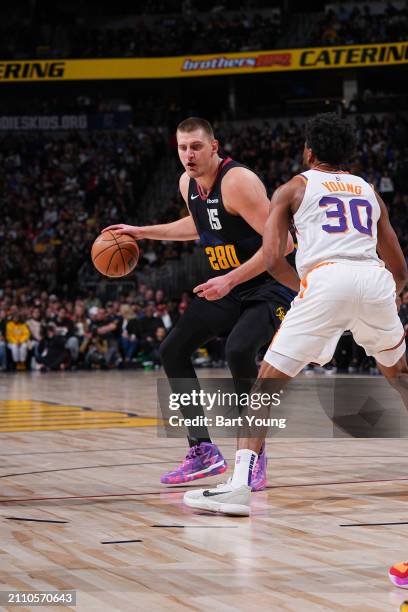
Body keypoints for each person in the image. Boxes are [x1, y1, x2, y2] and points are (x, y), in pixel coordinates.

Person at [183, 112, 408, 515]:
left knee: (265, 386)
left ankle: (238, 486)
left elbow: (272, 259)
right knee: (402, 376)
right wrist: (392, 295)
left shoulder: (292, 189)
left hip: (324, 279)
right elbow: (400, 267)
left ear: (308, 151)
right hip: (374, 279)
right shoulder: (368, 191)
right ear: (349, 153)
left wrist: (304, 286)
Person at [103, 116, 294, 491]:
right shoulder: (187, 183)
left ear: (214, 147)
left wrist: (230, 278)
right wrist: (142, 232)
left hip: (269, 287)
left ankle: (252, 455)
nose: (188, 155)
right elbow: (198, 225)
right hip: (227, 287)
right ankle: (203, 450)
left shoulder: (238, 182)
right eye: (182, 148)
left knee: (239, 351)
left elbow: (283, 245)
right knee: (172, 350)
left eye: (195, 147)